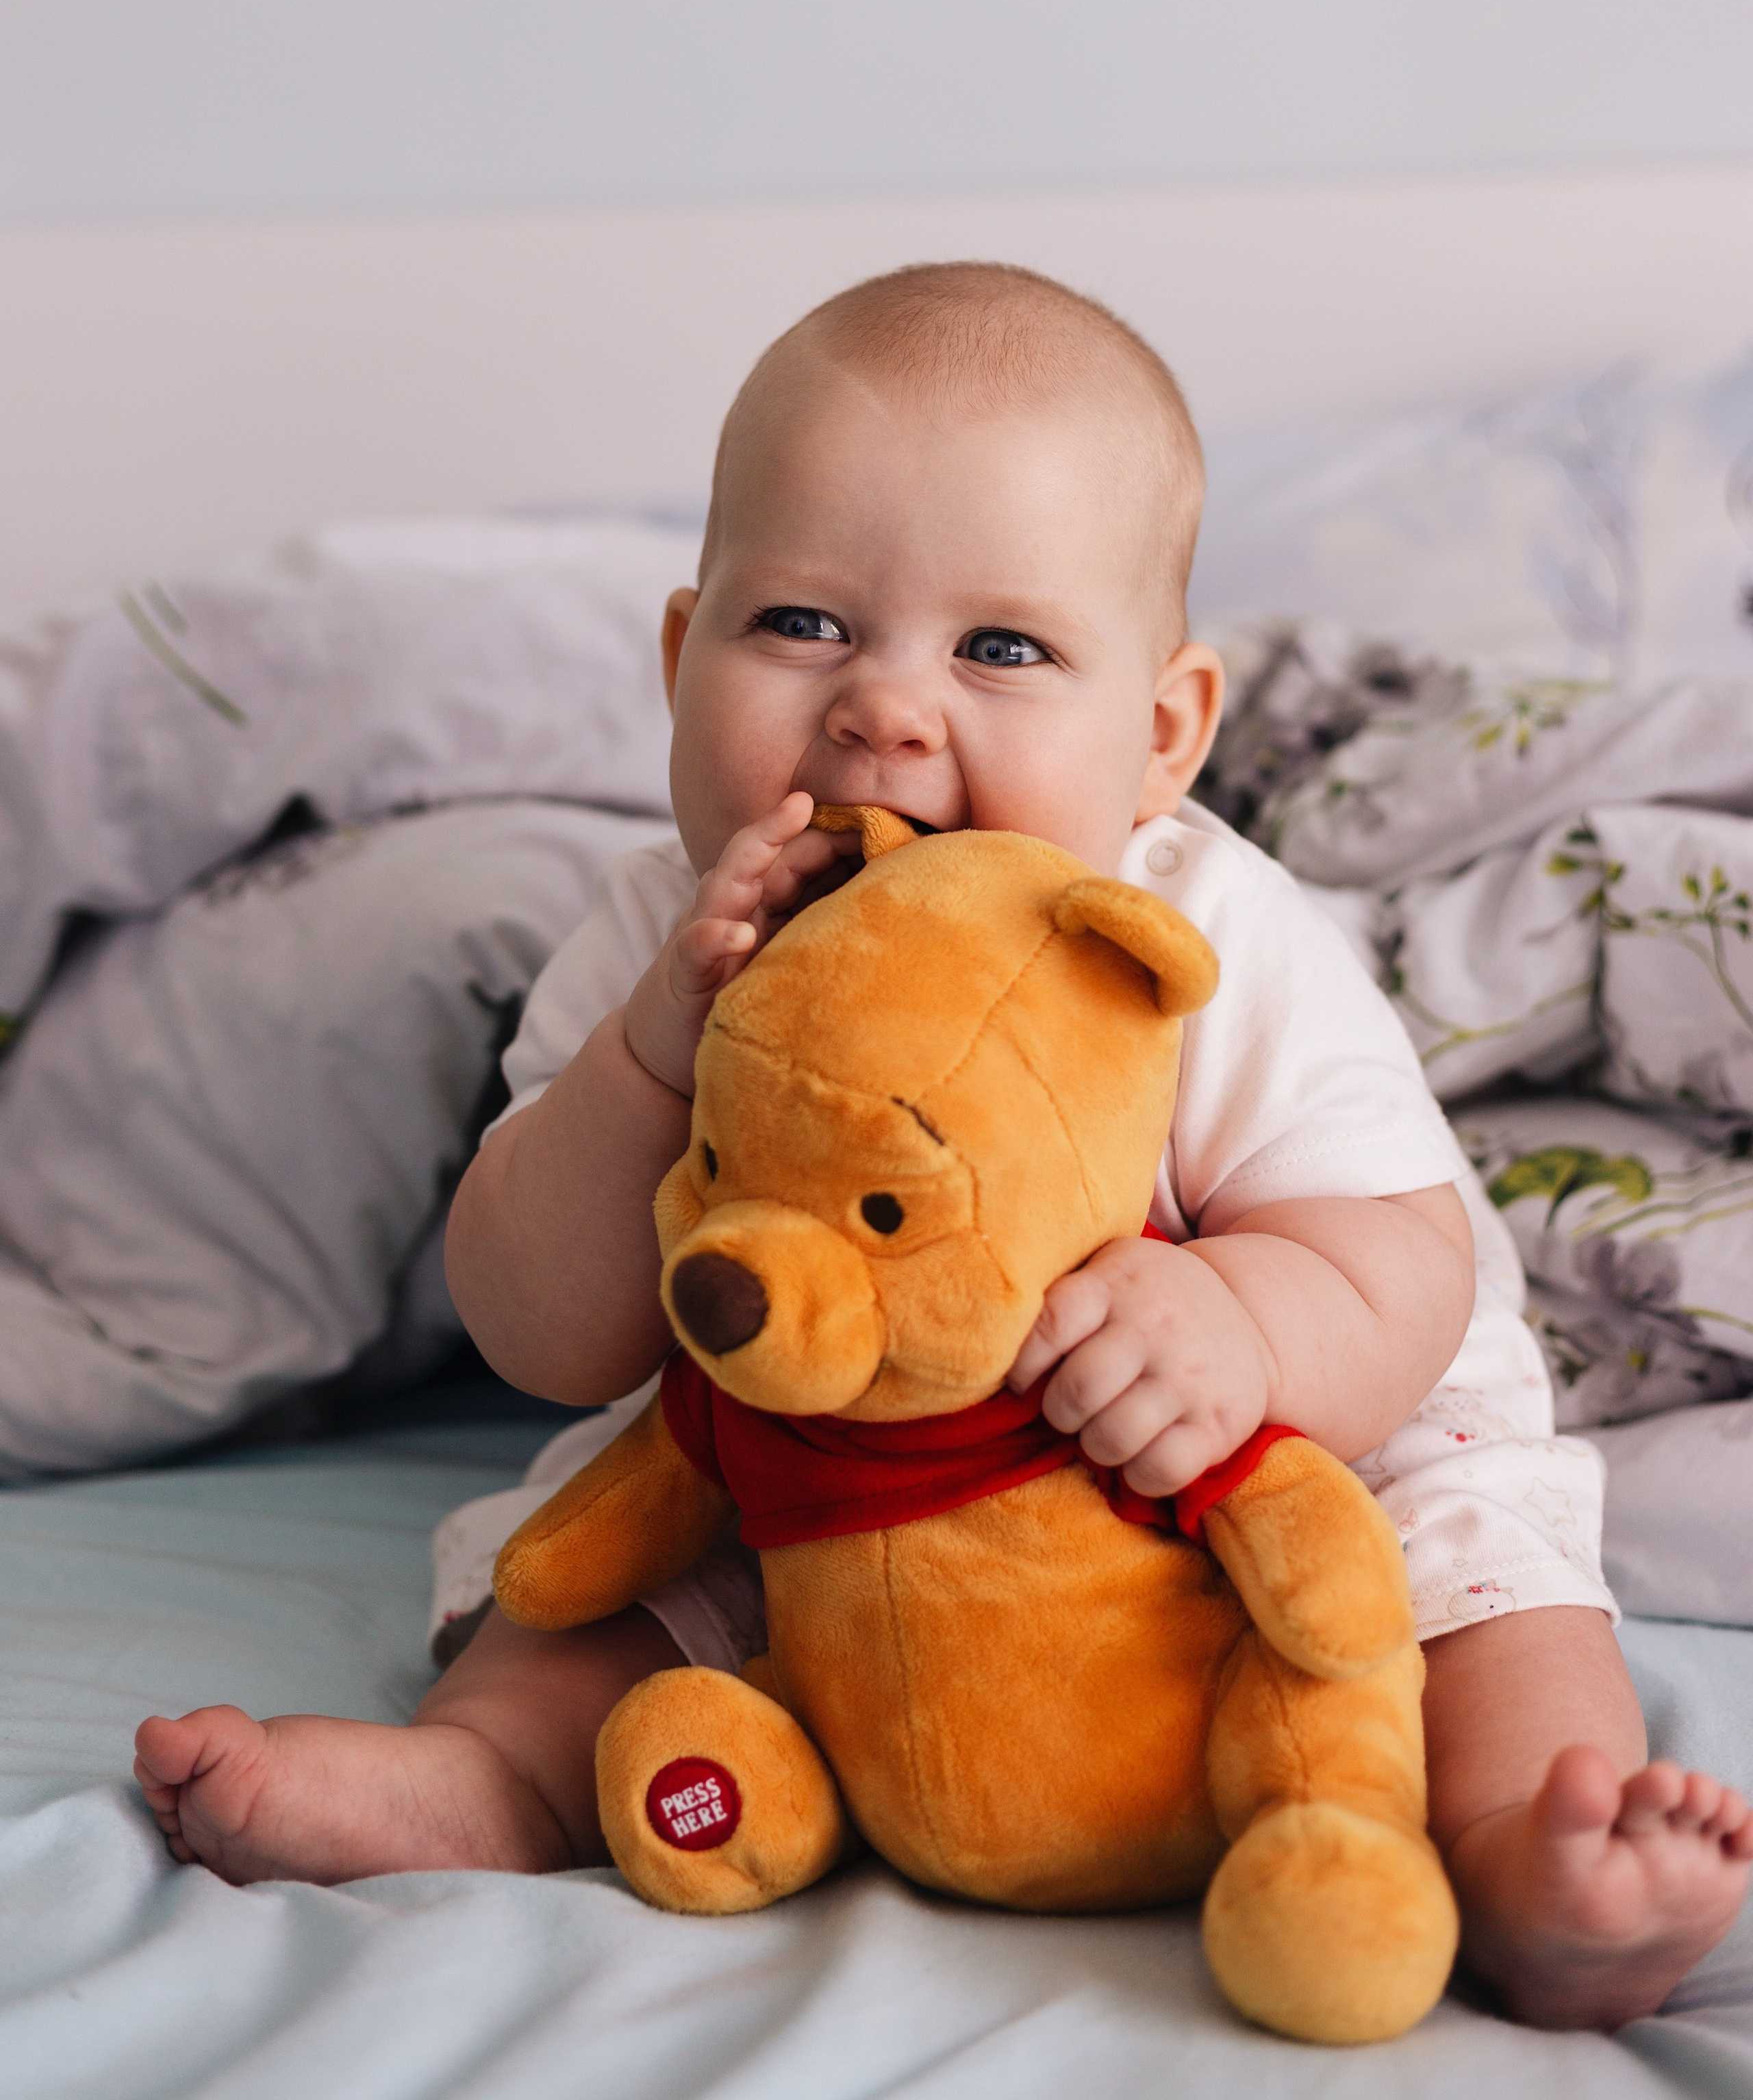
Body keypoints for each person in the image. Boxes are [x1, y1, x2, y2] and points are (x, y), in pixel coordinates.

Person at [135, 262, 1752, 2029]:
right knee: (603, 1578)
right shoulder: (654, 940)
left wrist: (1249, 1321)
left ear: (1161, 734)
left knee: (1480, 1574)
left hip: (1274, 1463)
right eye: (805, 627)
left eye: (1001, 649)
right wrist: (650, 1062)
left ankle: (1539, 1859)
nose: (886, 712)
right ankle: (490, 1784)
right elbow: (546, 1330)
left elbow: (1406, 1260)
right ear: (684, 665)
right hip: (834, 1491)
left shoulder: (1195, 938)